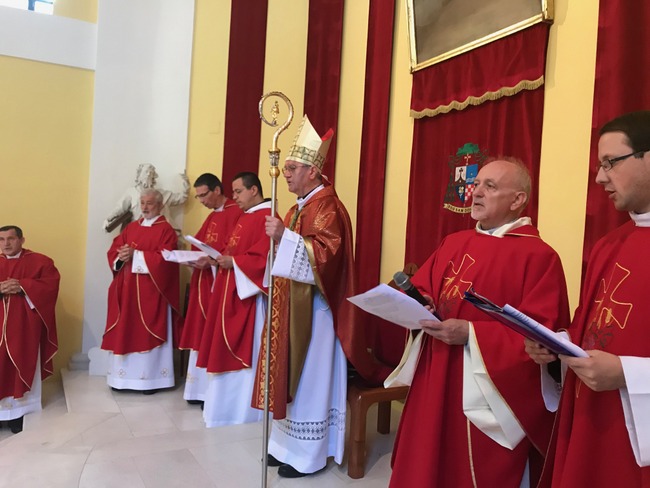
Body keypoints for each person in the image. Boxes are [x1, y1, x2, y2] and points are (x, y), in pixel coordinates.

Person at [389, 158, 571, 488]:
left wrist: (471, 333)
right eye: (477, 184)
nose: (476, 192)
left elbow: (541, 337)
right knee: (427, 457)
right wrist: (421, 300)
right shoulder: (453, 242)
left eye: (490, 186)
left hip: (486, 386)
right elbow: (426, 286)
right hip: (436, 368)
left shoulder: (539, 256)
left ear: (517, 200)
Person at [526, 111, 650, 486]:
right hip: (590, 419)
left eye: (610, 162)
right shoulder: (608, 245)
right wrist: (555, 347)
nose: (599, 177)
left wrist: (628, 374)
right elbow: (589, 328)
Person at [257, 115, 380, 478]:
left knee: (310, 381)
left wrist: (285, 238)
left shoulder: (327, 206)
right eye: (286, 168)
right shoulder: (298, 207)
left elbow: (327, 256)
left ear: (312, 171)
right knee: (291, 379)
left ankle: (309, 455)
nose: (286, 175)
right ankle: (285, 446)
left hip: (318, 314)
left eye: (292, 168)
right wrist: (280, 241)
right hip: (292, 309)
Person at [196, 172, 273, 427]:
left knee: (247, 352)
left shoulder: (267, 217)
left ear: (254, 190)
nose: (235, 197)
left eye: (239, 191)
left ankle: (243, 411)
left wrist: (235, 262)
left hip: (248, 300)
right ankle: (221, 408)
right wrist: (220, 259)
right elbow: (235, 250)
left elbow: (265, 259)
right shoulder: (246, 216)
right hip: (228, 291)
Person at [101, 189, 181, 393]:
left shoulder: (166, 230)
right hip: (127, 289)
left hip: (151, 292)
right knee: (124, 330)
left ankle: (150, 381)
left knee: (146, 333)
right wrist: (121, 255)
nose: (145, 207)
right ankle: (121, 379)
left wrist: (136, 255)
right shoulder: (132, 227)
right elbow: (115, 249)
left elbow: (167, 259)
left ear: (160, 205)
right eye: (142, 203)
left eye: (150, 203)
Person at [179, 173, 241, 405]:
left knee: (214, 331)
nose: (202, 201)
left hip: (221, 282)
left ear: (217, 190)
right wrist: (192, 258)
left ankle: (211, 392)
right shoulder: (213, 216)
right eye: (198, 197)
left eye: (204, 195)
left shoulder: (236, 212)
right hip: (204, 282)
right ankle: (197, 391)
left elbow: (235, 249)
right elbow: (200, 243)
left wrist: (212, 261)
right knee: (201, 331)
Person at [0, 225, 59, 434]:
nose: (6, 244)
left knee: (22, 362)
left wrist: (23, 286)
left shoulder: (41, 262)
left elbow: (50, 287)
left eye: (11, 239)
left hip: (25, 327)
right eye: (1, 240)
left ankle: (19, 413)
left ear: (22, 240)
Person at [103, 163, 189, 232]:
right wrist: (108, 219)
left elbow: (181, 198)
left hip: (156, 231)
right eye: (146, 172)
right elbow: (120, 208)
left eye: (151, 173)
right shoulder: (132, 192)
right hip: (137, 230)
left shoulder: (160, 194)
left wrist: (186, 187)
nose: (148, 174)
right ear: (139, 175)